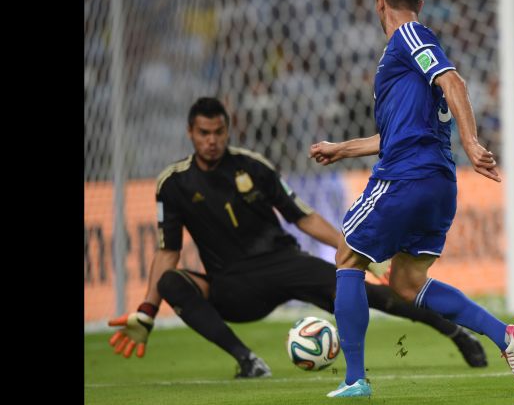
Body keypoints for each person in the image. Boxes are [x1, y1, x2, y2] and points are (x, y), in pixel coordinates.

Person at [106, 97, 487, 378]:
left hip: (283, 264)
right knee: (171, 281)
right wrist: (147, 309)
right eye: (204, 133)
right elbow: (167, 252)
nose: (212, 140)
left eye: (218, 132)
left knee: (369, 292)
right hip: (231, 285)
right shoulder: (173, 185)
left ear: (227, 129)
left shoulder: (253, 167)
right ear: (191, 133)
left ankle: (453, 332)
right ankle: (248, 361)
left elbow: (302, 217)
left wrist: (357, 252)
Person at [308, 0, 514, 398]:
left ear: (380, 2)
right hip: (436, 183)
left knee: (347, 255)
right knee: (408, 283)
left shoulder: (409, 35)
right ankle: (507, 336)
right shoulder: (404, 63)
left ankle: (355, 379)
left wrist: (471, 143)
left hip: (406, 176)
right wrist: (341, 148)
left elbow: (453, 80)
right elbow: (396, 133)